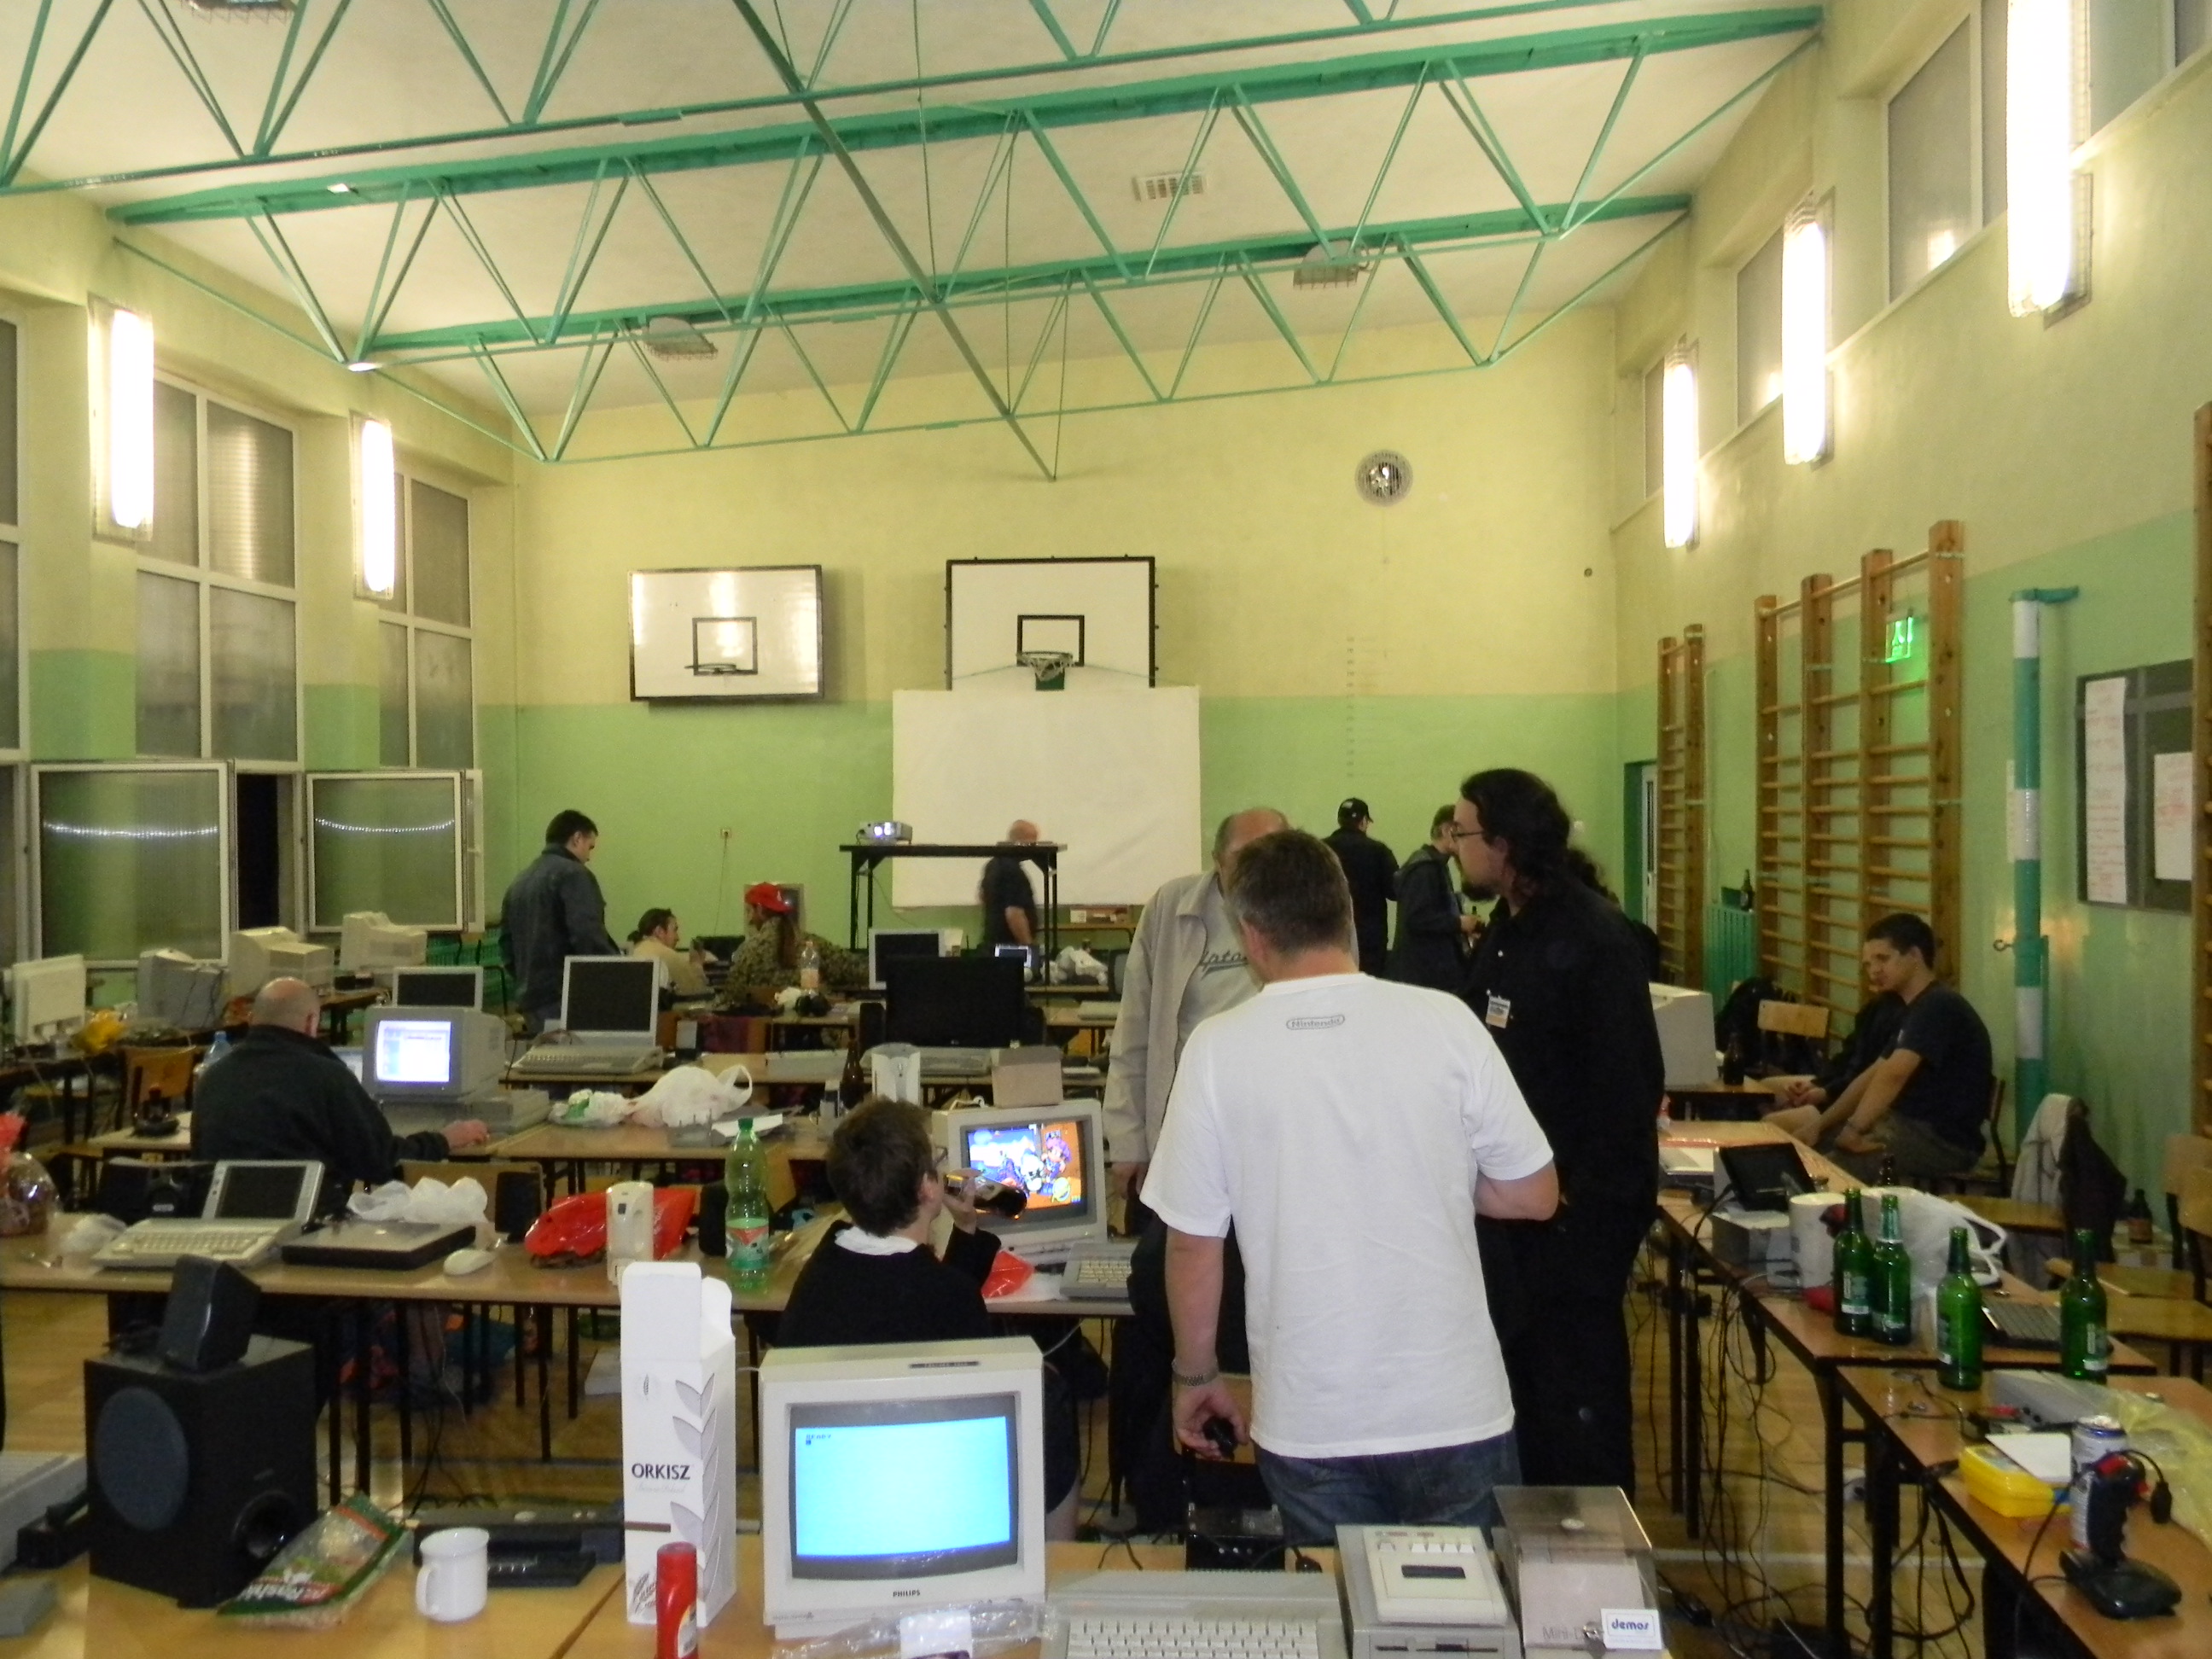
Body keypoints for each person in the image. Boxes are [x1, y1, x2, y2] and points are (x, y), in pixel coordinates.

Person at [1144, 830, 1558, 1542]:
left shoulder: (1217, 1047)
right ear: (1346, 915)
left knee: (1341, 1601)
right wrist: (1435, 1175)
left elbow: (1192, 1246)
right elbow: (1535, 1194)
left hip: (1311, 1420)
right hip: (1455, 1409)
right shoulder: (1446, 1021)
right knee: (1467, 1604)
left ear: (1252, 937)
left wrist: (1196, 1376)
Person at [1455, 769, 1662, 1495]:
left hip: (1576, 1219)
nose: (1454, 847)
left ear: (1504, 844)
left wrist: (1578, 1200)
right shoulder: (1509, 928)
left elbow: (1628, 1085)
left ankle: (1596, 1556)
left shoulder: (1592, 936)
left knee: (1577, 1405)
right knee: (1529, 1401)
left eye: (1464, 833)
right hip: (1519, 1213)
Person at [778, 1095, 1080, 1536]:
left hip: (832, 1466)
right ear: (927, 1189)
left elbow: (913, 1296)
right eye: (937, 1163)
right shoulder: (944, 1295)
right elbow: (947, 1324)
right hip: (922, 1466)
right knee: (1048, 1391)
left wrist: (966, 1230)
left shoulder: (821, 1269)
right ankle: (1060, 1552)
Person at [1103, 806, 1289, 1211]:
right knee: (1181, 1242)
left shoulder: (1313, 912)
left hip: (1277, 1134)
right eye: (1245, 859)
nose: (1259, 871)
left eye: (1274, 855)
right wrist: (1127, 1140)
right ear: (1218, 861)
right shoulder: (1170, 907)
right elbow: (1133, 1030)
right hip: (1185, 1126)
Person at [193, 978, 488, 1213]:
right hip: (307, 1221)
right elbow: (380, 1163)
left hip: (222, 1220)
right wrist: (444, 1139)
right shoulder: (326, 1076)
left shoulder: (212, 1077)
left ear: (252, 1019)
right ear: (311, 1022)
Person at [1765, 914, 1992, 1183]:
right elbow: (1873, 1074)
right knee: (1799, 1147)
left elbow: (1894, 1074)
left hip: (1942, 1140)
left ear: (1915, 955)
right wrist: (1818, 1125)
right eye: (1868, 964)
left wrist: (1854, 1129)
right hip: (1904, 1124)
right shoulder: (1912, 1009)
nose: (1874, 970)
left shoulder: (1939, 1005)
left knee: (1826, 1171)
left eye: (1882, 959)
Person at [500, 809, 619, 1029]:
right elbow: (587, 936)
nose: (589, 857)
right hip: (565, 997)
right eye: (590, 847)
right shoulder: (575, 875)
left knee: (547, 1051)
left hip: (531, 1002)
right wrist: (615, 979)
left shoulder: (519, 882)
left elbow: (507, 947)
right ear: (577, 838)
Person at [716, 882, 864, 998]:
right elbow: (856, 970)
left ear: (760, 910)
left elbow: (732, 995)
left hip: (765, 1027)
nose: (749, 920)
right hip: (812, 1026)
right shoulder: (813, 944)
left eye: (749, 911)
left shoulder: (748, 951)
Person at [1389, 806, 1479, 992]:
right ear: (1448, 830)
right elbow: (1416, 918)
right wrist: (1459, 923)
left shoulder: (1434, 866)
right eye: (1462, 832)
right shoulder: (1425, 869)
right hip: (1424, 975)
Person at [1324, 798, 1398, 975]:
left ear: (1340, 820)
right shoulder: (1378, 850)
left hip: (1330, 935)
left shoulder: (1321, 849)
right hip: (1370, 938)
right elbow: (1395, 891)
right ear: (1364, 821)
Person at [979, 821, 1042, 952]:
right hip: (1010, 948)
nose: (1035, 848)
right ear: (1021, 841)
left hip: (992, 943)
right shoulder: (1012, 870)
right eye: (1032, 842)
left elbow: (982, 896)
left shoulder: (992, 864)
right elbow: (1014, 913)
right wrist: (1028, 948)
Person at [628, 907, 712, 998]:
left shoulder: (635, 950)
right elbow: (699, 991)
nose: (678, 938)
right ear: (659, 932)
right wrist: (697, 964)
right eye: (675, 930)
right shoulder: (666, 954)